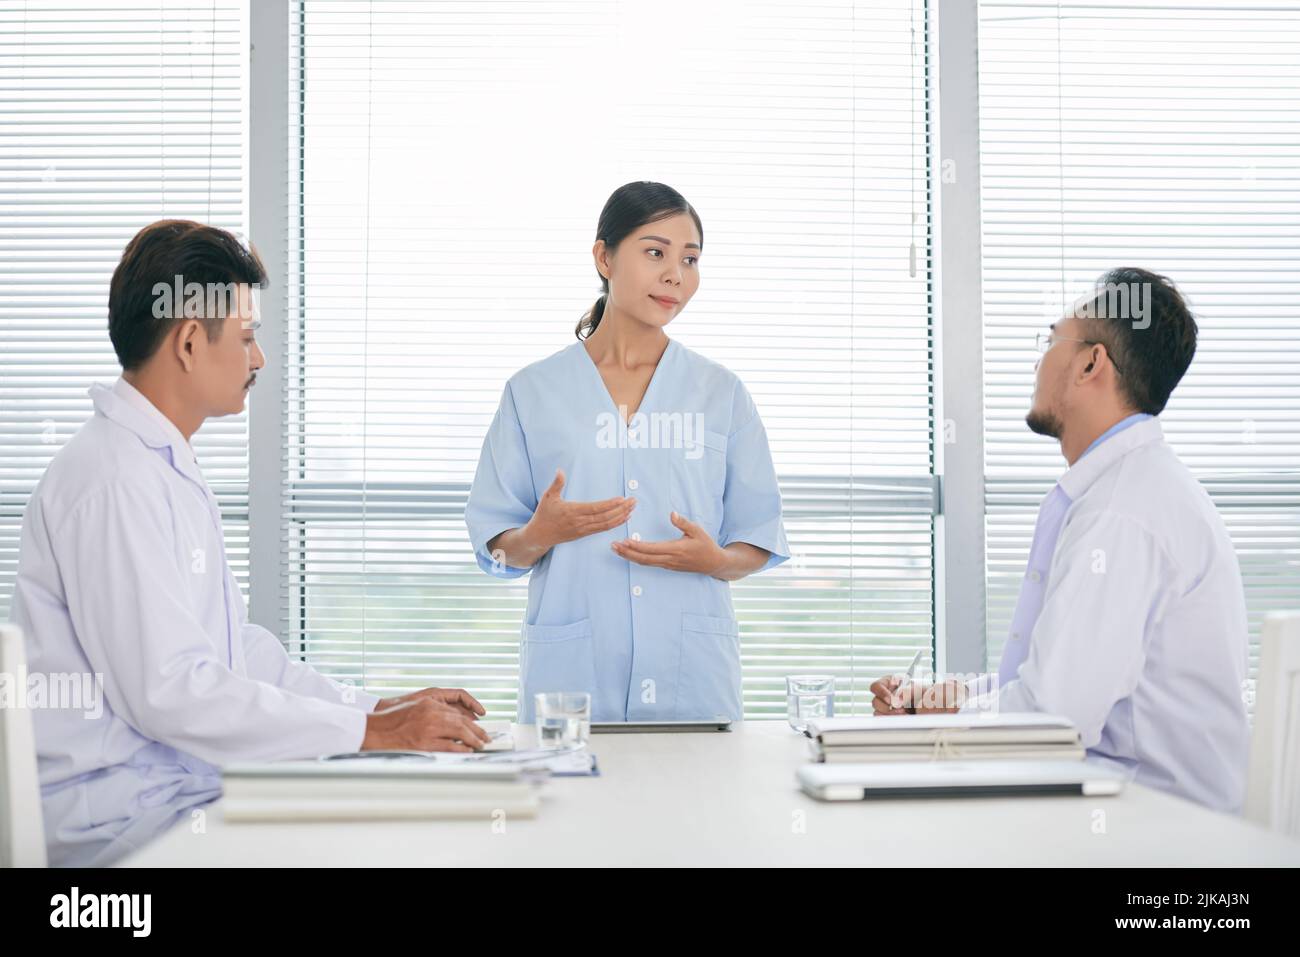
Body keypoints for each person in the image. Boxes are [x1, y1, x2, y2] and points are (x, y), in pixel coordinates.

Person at [12, 220, 489, 867]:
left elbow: (235, 655)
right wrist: (372, 731)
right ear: (187, 342)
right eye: (246, 337)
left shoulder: (159, 463)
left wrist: (380, 707)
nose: (259, 358)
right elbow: (173, 692)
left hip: (174, 794)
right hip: (122, 825)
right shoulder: (114, 481)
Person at [872, 268, 1250, 813]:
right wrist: (940, 704)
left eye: (1052, 340)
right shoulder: (1132, 490)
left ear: (1091, 363)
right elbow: (1051, 686)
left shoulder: (1122, 513)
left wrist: (921, 733)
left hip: (1151, 834)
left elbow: (1051, 719)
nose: (1037, 361)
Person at [466, 182, 789, 723]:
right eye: (655, 252)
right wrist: (540, 535)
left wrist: (717, 562)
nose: (675, 275)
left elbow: (758, 536)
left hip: (694, 683)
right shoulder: (532, 392)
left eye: (690, 259)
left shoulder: (721, 393)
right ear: (604, 257)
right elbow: (499, 553)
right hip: (571, 686)